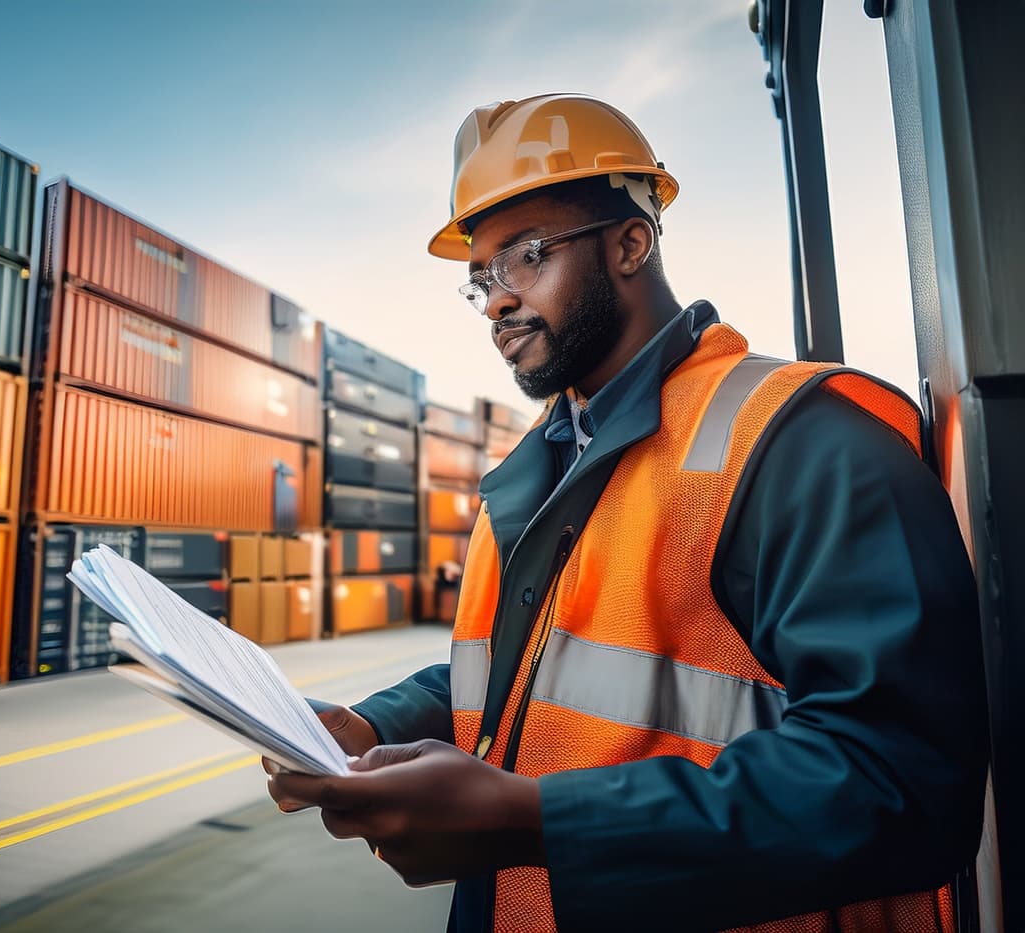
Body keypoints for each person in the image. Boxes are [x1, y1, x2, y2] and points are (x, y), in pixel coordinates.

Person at [267, 94, 988, 932]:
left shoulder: (800, 443)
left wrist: (538, 822)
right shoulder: (540, 464)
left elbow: (900, 781)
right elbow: (534, 675)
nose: (496, 301)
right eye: (481, 278)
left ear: (630, 244)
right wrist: (371, 724)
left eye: (525, 256)